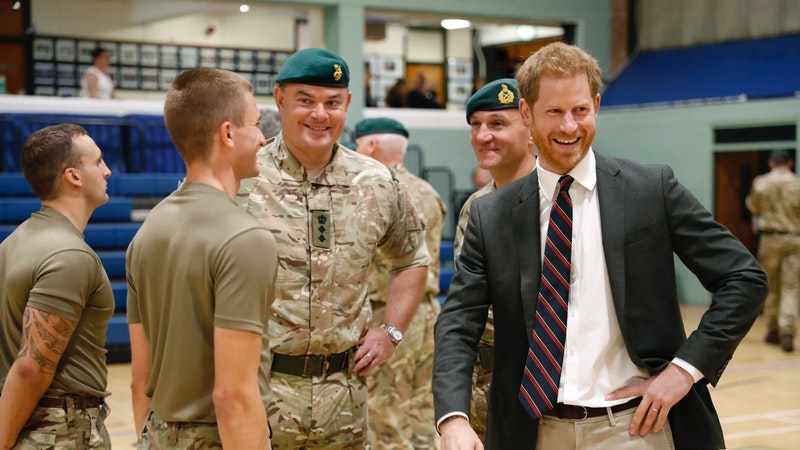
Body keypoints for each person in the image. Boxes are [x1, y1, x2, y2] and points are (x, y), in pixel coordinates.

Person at [432, 41, 768, 450]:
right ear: (527, 113)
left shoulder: (650, 189)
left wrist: (685, 370)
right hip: (531, 431)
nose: (569, 126)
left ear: (596, 105)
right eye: (554, 112)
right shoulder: (492, 214)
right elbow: (459, 323)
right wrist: (452, 418)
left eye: (580, 110)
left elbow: (744, 278)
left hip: (634, 429)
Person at [237, 48, 430, 449]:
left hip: (345, 404)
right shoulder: (242, 177)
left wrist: (391, 331)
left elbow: (412, 257)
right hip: (262, 396)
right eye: (306, 100)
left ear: (348, 104)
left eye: (332, 102)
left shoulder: (376, 182)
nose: (320, 114)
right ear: (280, 100)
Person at [126, 67, 277, 449]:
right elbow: (232, 396)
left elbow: (140, 381)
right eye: (255, 124)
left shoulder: (149, 229)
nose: (263, 139)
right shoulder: (245, 238)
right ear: (228, 134)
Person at [0, 123, 114, 449]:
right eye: (98, 162)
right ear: (73, 176)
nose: (107, 171)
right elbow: (31, 367)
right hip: (59, 431)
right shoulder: (69, 255)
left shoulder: (14, 241)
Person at [452, 78, 537, 442]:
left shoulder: (560, 200)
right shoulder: (476, 208)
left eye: (498, 124)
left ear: (531, 130)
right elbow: (466, 309)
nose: (483, 135)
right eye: (476, 125)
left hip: (544, 387)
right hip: (484, 390)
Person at [354, 117, 446, 449]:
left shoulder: (373, 191)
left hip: (389, 313)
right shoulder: (428, 191)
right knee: (424, 413)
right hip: (428, 312)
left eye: (357, 146)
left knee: (384, 416)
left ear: (371, 146)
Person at [746, 149, 800, 353]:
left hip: (770, 238)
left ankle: (772, 329)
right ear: (790, 163)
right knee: (790, 286)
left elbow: (753, 207)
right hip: (794, 238)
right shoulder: (797, 183)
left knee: (770, 284)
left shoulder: (761, 183)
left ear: (771, 163)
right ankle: (787, 329)